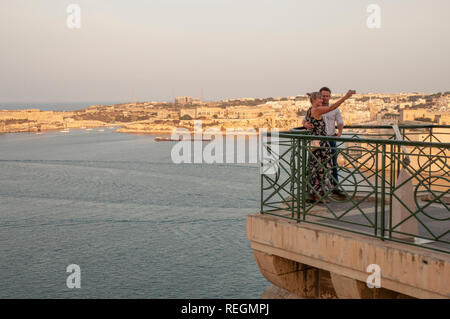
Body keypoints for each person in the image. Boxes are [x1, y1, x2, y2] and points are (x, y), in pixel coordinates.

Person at [304, 90, 355, 203]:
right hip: (321, 144)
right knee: (322, 169)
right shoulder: (317, 110)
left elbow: (306, 121)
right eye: (320, 98)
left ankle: (313, 195)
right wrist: (345, 97)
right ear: (314, 100)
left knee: (315, 169)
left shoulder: (310, 110)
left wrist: (306, 124)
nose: (322, 100)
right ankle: (319, 196)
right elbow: (332, 108)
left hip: (314, 144)